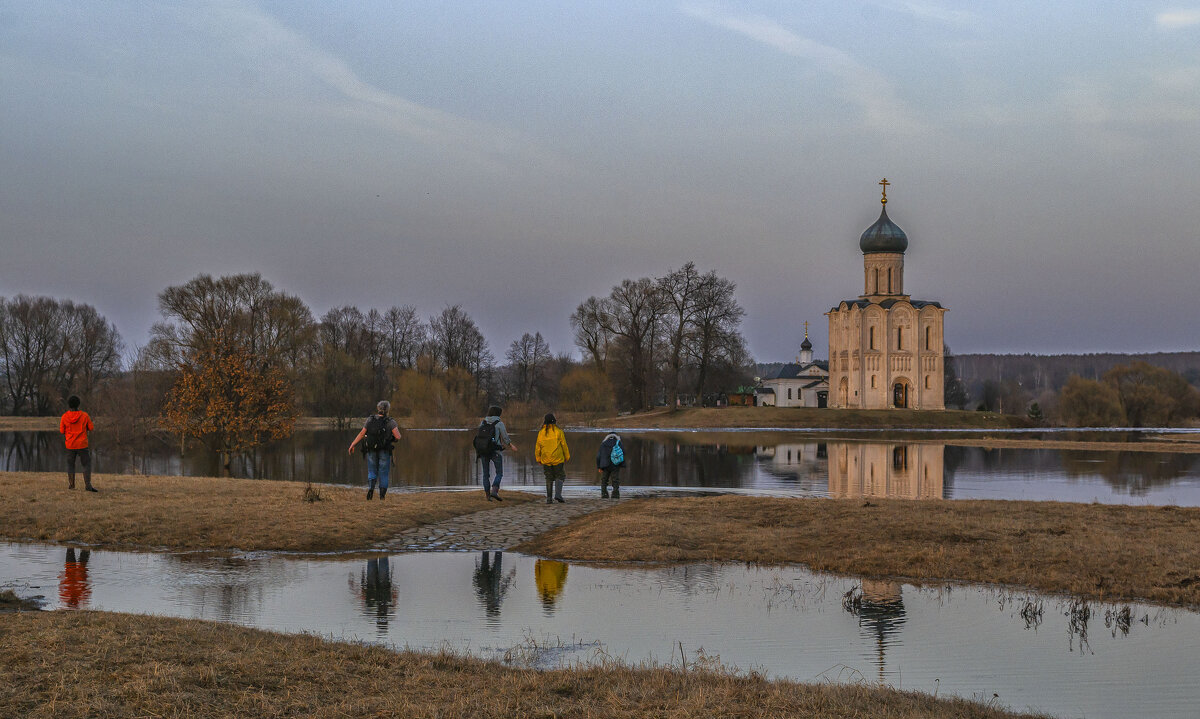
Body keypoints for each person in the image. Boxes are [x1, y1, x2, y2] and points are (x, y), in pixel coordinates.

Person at [348, 400, 403, 500]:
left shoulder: (370, 419)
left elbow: (361, 434)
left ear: (378, 409)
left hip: (371, 449)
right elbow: (398, 437)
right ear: (388, 410)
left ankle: (371, 489)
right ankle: (382, 496)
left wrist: (352, 444)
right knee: (384, 472)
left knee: (372, 470)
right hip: (385, 451)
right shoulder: (391, 421)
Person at [475, 405, 517, 501]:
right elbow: (505, 437)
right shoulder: (499, 423)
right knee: (499, 473)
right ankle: (494, 491)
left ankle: (487, 496)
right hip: (495, 450)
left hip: (483, 450)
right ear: (498, 414)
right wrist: (511, 445)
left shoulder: (483, 422)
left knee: (486, 474)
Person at [59, 395, 97, 492]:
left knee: (70, 465)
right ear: (78, 404)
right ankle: (88, 486)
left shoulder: (64, 416)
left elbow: (62, 431)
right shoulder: (84, 416)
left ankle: (71, 485)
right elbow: (91, 428)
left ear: (69, 405)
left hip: (70, 444)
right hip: (82, 444)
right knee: (86, 464)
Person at [534, 412, 569, 504]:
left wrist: (538, 458)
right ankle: (558, 494)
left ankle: (549, 498)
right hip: (558, 458)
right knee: (560, 475)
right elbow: (564, 445)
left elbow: (538, 447)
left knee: (548, 478)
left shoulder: (541, 433)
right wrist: (567, 456)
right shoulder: (559, 432)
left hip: (546, 459)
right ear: (554, 421)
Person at [596, 432, 625, 499]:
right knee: (615, 481)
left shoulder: (603, 444)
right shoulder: (619, 443)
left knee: (604, 481)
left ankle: (604, 496)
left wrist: (599, 466)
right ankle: (615, 495)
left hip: (605, 465)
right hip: (615, 465)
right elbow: (623, 454)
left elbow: (598, 456)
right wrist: (621, 464)